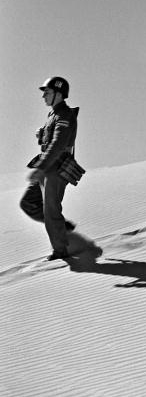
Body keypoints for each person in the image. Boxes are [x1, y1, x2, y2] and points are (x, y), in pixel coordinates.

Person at [20, 76, 79, 261]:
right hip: (48, 167)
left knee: (51, 211)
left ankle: (61, 252)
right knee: (28, 203)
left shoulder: (64, 115)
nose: (43, 96)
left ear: (59, 94)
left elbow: (58, 143)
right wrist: (42, 134)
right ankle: (62, 228)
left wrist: (42, 167)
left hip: (56, 167)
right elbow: (51, 139)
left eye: (47, 92)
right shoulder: (53, 115)